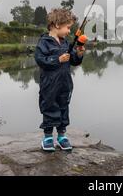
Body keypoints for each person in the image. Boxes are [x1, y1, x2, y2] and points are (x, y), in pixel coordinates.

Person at [34, 8, 85, 151]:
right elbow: (40, 60)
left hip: (65, 83)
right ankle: (48, 137)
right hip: (49, 85)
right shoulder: (44, 42)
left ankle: (62, 136)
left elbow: (74, 60)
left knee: (63, 108)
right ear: (57, 24)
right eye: (68, 27)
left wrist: (79, 54)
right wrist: (57, 59)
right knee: (50, 107)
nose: (69, 31)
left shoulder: (66, 43)